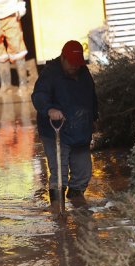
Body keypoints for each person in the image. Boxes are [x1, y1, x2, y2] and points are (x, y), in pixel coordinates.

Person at [31, 40, 99, 206]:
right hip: (57, 131)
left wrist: (94, 118)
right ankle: (57, 207)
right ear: (62, 58)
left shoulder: (84, 73)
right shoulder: (50, 74)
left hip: (80, 131)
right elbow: (39, 95)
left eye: (77, 63)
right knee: (59, 173)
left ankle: (76, 198)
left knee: (83, 172)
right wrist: (49, 110)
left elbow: (91, 97)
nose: (74, 67)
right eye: (71, 63)